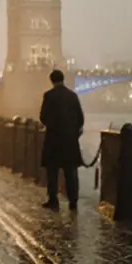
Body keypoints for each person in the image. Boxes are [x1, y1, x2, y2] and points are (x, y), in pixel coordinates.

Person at [39, 69, 85, 211]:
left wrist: (53, 126)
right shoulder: (73, 96)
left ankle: (53, 200)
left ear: (52, 80)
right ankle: (73, 201)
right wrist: (73, 131)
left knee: (52, 172)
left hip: (53, 140)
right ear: (63, 79)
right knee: (70, 172)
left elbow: (43, 117)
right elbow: (80, 118)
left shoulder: (48, 96)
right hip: (70, 141)